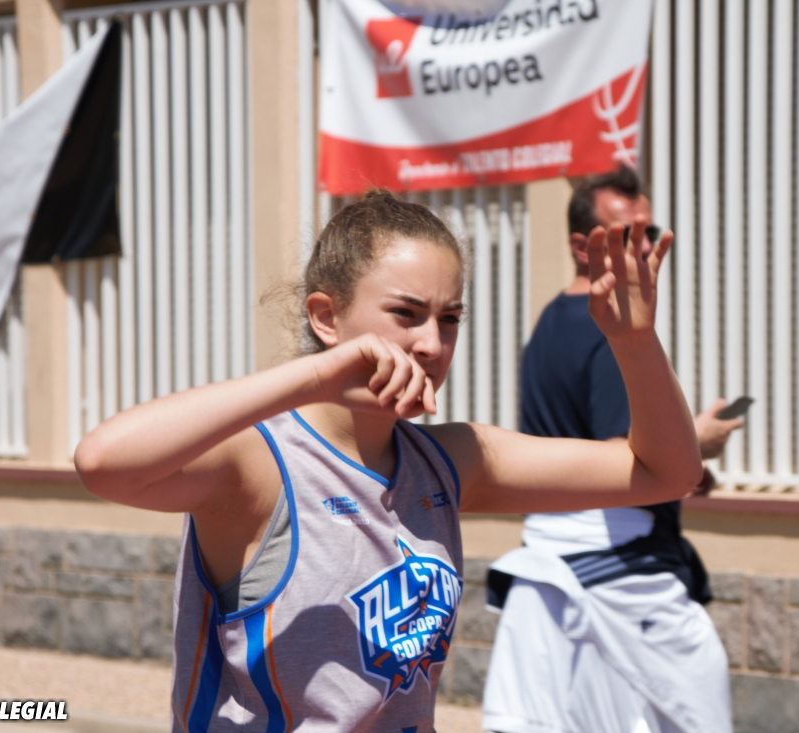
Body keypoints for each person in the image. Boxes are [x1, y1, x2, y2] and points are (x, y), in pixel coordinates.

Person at [73, 190, 702, 733]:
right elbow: (101, 462)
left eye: (449, 319)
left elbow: (665, 473)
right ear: (326, 317)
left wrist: (634, 342)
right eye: (406, 314)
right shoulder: (261, 462)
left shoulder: (452, 459)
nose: (431, 343)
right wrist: (316, 376)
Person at [480, 168, 741, 733]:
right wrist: (696, 441)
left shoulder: (551, 320)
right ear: (583, 247)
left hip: (553, 573)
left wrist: (686, 470)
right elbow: (620, 457)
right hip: (622, 576)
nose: (645, 248)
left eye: (650, 232)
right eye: (627, 235)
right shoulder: (611, 335)